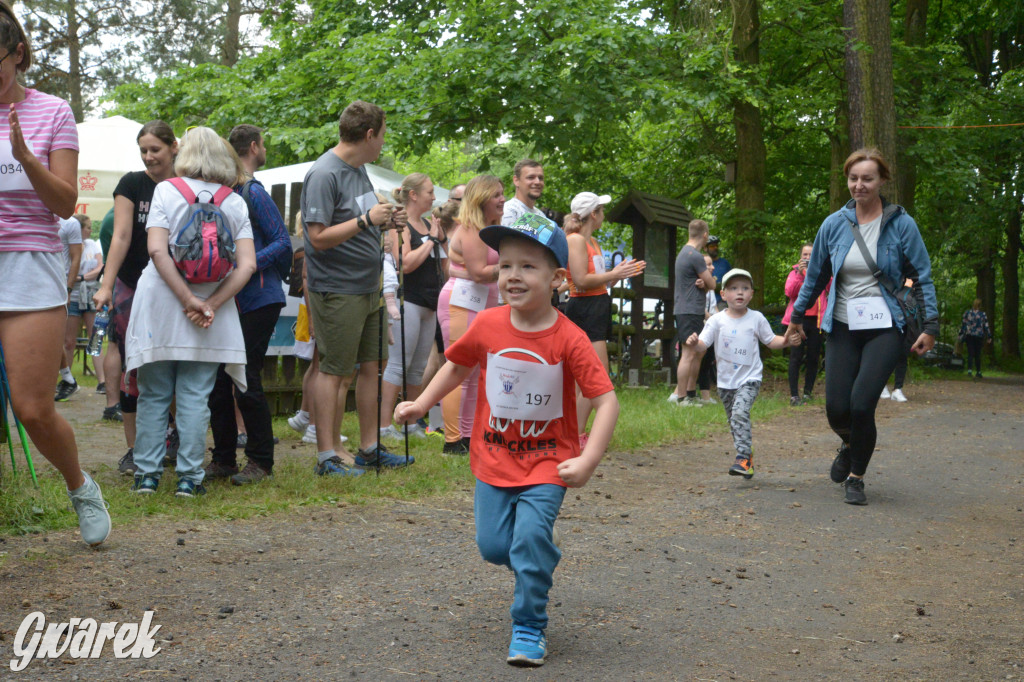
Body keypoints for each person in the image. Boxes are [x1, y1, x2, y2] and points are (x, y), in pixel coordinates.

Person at [394, 216, 619, 667]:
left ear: (557, 280)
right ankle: (534, 557)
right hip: (493, 458)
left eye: (528, 267)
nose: (513, 276)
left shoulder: (569, 338)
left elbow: (606, 399)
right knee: (495, 547)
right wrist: (421, 404)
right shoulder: (489, 325)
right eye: (505, 266)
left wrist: (589, 459)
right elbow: (457, 367)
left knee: (530, 538)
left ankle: (529, 625)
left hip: (548, 463)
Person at [0, 1, 110, 545]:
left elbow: (66, 204)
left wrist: (25, 157)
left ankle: (79, 485)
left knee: (32, 408)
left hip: (28, 265)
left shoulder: (52, 113)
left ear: (17, 55)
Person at [786, 147, 938, 506]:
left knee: (861, 404)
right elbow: (816, 276)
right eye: (853, 178)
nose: (859, 185)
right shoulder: (834, 224)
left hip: (886, 327)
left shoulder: (902, 224)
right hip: (841, 326)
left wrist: (931, 326)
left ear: (882, 180)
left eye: (867, 178)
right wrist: (796, 316)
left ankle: (857, 476)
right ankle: (850, 444)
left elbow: (923, 277)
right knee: (837, 408)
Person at [124, 126, 257, 497]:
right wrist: (209, 303)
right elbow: (246, 266)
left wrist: (184, 299)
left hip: (162, 305)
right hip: (211, 308)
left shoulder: (165, 191)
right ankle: (189, 478)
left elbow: (156, 250)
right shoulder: (234, 201)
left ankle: (147, 475)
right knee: (196, 395)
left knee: (153, 393)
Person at [300, 100, 412, 476]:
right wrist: (367, 220)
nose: (382, 144)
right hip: (338, 288)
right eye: (382, 136)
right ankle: (327, 456)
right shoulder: (325, 173)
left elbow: (362, 219)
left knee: (371, 367)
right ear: (369, 135)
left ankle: (368, 447)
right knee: (334, 372)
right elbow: (315, 237)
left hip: (369, 287)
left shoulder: (359, 171)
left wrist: (384, 219)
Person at [204, 124, 292, 486]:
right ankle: (223, 458)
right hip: (231, 300)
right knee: (218, 381)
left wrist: (247, 261)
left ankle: (260, 461)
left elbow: (283, 242)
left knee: (245, 375)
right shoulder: (224, 192)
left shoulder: (253, 192)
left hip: (259, 298)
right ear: (254, 147)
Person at [93, 119, 179, 476]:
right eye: (143, 150)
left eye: (155, 150)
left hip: (175, 287)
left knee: (174, 364)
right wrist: (106, 284)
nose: (148, 157)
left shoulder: (185, 183)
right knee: (134, 367)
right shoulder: (132, 183)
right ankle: (134, 449)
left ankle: (172, 438)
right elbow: (121, 236)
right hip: (132, 286)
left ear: (174, 147)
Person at [687, 269, 795, 478]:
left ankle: (743, 457)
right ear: (723, 294)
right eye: (734, 288)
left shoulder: (756, 318)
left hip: (750, 378)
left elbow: (771, 340)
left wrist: (787, 341)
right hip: (726, 381)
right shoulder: (717, 320)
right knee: (734, 421)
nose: (740, 293)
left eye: (745, 289)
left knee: (739, 413)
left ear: (751, 294)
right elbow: (703, 344)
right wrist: (694, 343)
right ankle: (747, 459)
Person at [564, 192, 644, 443]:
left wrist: (616, 275)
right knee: (596, 375)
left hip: (597, 305)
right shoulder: (575, 240)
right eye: (602, 210)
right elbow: (580, 280)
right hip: (584, 308)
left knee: (585, 379)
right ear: (593, 214)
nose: (604, 215)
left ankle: (573, 433)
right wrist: (613, 274)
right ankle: (575, 435)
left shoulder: (593, 242)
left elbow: (595, 279)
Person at [437, 174, 504, 454]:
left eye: (503, 194)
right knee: (458, 370)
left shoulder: (493, 228)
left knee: (477, 373)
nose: (503, 200)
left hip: (483, 304)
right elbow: (479, 273)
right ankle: (452, 439)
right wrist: (515, 266)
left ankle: (466, 434)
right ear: (481, 199)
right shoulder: (473, 229)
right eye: (497, 195)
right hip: (461, 304)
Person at [379, 173, 447, 439]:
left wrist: (440, 240)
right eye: (429, 192)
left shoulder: (429, 223)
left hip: (430, 302)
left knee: (418, 366)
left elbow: (442, 264)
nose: (433, 197)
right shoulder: (402, 225)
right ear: (413, 195)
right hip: (408, 301)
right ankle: (385, 425)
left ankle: (409, 423)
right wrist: (430, 239)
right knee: (398, 364)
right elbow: (404, 264)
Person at [668, 219, 715, 406]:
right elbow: (712, 284)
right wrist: (707, 282)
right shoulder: (694, 255)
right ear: (704, 235)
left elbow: (701, 284)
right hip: (690, 310)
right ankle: (680, 398)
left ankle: (689, 393)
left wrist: (702, 284)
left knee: (694, 353)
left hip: (687, 309)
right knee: (688, 353)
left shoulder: (683, 253)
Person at [782, 242, 826, 406]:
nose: (807, 258)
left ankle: (808, 392)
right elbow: (790, 292)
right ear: (800, 257)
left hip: (816, 321)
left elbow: (829, 285)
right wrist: (801, 275)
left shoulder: (822, 272)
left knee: (813, 358)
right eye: (805, 255)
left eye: (811, 255)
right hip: (796, 320)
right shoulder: (794, 272)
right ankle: (794, 395)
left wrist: (813, 272)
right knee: (795, 357)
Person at [64, 214, 104, 390]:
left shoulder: (93, 245)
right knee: (68, 341)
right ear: (78, 229)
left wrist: (81, 277)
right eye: (87, 227)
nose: (90, 229)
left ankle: (102, 381)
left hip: (90, 294)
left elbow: (100, 267)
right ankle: (67, 380)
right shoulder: (69, 245)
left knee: (95, 337)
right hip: (72, 296)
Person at [54, 214, 83, 400]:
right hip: (33, 281)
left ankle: (67, 378)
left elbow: (76, 257)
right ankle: (68, 378)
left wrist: (68, 288)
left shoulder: (70, 223)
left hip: (58, 282)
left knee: (55, 335)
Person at [695, 254, 718, 404]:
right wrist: (713, 319)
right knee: (697, 359)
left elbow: (714, 307)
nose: (712, 267)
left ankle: (705, 395)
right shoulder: (696, 284)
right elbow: (700, 308)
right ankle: (682, 391)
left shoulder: (711, 288)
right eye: (708, 265)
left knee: (708, 361)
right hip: (700, 326)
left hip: (710, 326)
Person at [501, 159, 545, 226]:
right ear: (516, 181)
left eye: (540, 178)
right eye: (531, 177)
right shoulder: (509, 212)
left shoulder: (541, 215)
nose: (537, 182)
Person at [959, 298, 992, 378]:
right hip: (979, 336)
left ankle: (969, 370)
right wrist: (989, 336)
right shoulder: (982, 314)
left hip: (969, 335)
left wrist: (960, 334)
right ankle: (978, 371)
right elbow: (986, 326)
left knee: (970, 353)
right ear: (980, 306)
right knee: (978, 353)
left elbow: (963, 324)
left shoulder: (967, 313)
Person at [706, 235, 731, 305]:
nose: (715, 248)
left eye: (716, 246)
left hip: (721, 302)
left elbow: (731, 282)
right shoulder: (701, 263)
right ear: (706, 248)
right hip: (705, 301)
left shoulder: (725, 263)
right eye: (712, 246)